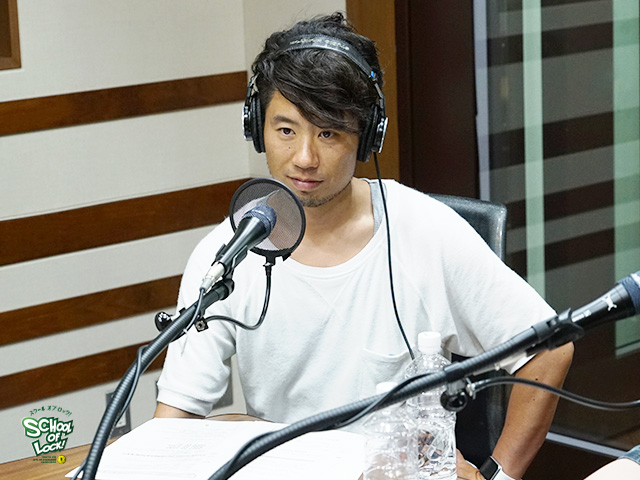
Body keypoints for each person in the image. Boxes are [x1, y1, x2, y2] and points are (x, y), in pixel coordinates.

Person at [154, 12, 574, 480]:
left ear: (368, 136)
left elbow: (549, 347)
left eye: (328, 133)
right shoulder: (228, 252)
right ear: (256, 128)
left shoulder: (425, 231)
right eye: (286, 130)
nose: (305, 158)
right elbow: (175, 420)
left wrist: (499, 475)